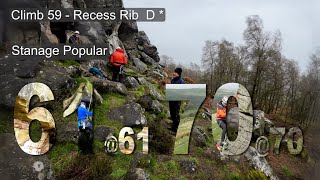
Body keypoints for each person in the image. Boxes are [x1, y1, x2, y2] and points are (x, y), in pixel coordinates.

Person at [169, 68, 185, 132]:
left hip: (177, 101)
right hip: (171, 99)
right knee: (172, 113)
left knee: (176, 114)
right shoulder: (172, 80)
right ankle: (173, 127)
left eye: (175, 72)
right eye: (174, 72)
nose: (174, 73)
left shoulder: (181, 82)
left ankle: (176, 129)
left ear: (178, 74)